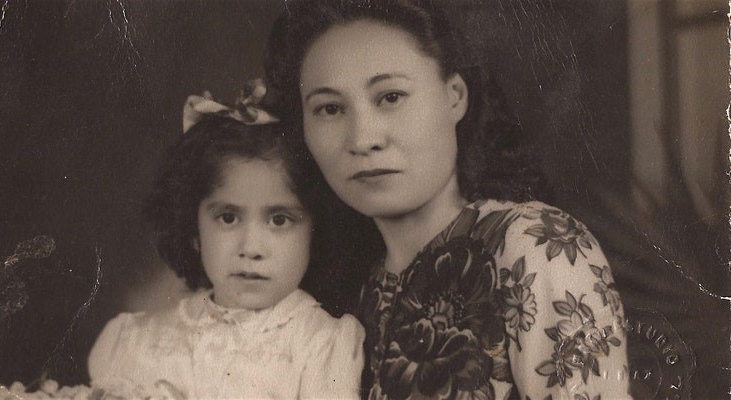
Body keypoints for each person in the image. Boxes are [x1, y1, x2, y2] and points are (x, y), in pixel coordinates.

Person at [264, 1, 631, 399]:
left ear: (455, 96)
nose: (362, 139)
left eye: (390, 97)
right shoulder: (353, 291)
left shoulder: (535, 246)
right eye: (329, 109)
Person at [87, 86, 364, 399]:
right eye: (228, 218)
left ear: (316, 231)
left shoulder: (320, 345)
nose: (251, 248)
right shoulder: (137, 341)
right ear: (194, 229)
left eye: (279, 220)